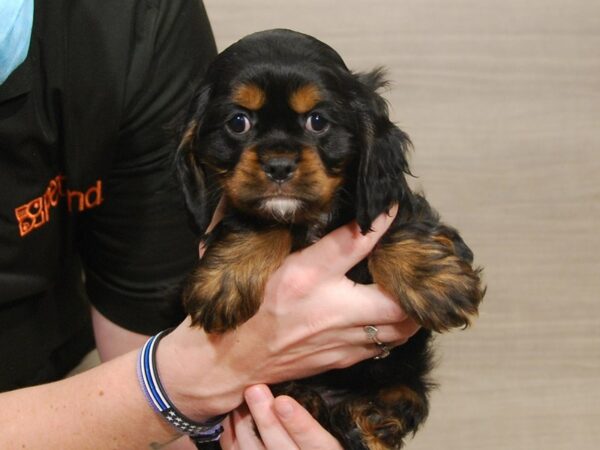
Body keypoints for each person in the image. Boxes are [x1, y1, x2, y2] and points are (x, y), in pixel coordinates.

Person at [0, 0, 419, 448]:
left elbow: (141, 333)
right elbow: (176, 376)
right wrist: (176, 384)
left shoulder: (136, 21)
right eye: (239, 123)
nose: (279, 158)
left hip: (64, 383)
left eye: (318, 122)